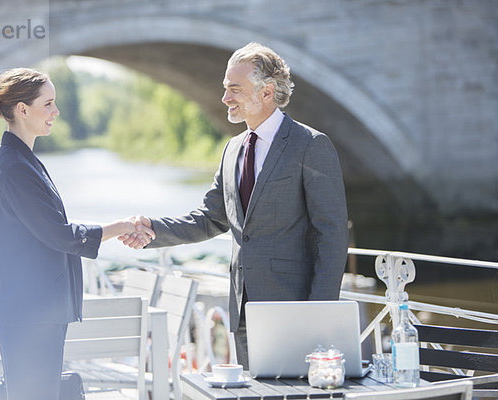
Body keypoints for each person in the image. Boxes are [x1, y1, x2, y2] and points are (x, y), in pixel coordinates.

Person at [121, 42, 348, 368]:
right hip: (242, 309)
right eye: (225, 88)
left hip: (293, 308)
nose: (225, 98)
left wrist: (317, 313)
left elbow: (333, 234)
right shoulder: (233, 150)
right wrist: (152, 230)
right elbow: (210, 219)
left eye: (234, 89)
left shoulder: (310, 145)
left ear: (267, 92)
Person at [0, 68, 154, 400]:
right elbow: (58, 235)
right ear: (22, 110)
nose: (56, 112)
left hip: (35, 311)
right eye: (49, 103)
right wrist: (121, 227)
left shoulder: (22, 160)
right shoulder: (15, 166)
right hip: (31, 315)